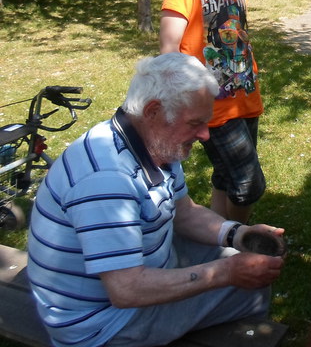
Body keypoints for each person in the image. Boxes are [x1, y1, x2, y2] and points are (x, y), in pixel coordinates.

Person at [26, 53, 285, 347]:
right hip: (101, 325)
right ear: (152, 111)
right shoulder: (108, 179)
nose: (205, 135)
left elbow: (184, 213)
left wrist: (238, 234)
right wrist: (226, 273)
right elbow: (126, 290)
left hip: (125, 283)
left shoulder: (152, 143)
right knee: (249, 285)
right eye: (195, 123)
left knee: (243, 259)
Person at [160, 0, 265, 223]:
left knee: (225, 176)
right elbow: (168, 49)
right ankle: (238, 238)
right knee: (248, 185)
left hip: (245, 95)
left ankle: (218, 239)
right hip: (210, 104)